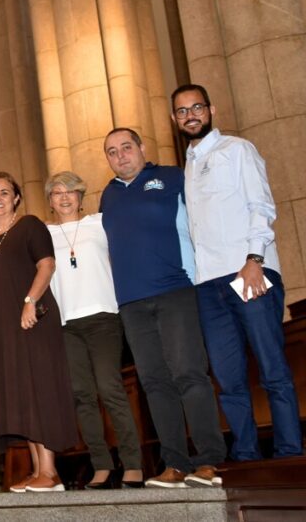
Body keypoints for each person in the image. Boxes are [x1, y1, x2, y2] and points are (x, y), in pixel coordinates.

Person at [172, 84, 303, 461]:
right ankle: (245, 455)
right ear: (175, 119)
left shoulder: (237, 149)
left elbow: (260, 204)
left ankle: (290, 453)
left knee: (272, 367)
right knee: (228, 378)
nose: (190, 115)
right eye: (182, 111)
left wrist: (254, 259)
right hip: (208, 284)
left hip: (247, 272)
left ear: (211, 109)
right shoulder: (189, 166)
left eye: (196, 107)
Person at [100, 128, 226, 488]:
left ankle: (209, 460)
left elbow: (203, 222)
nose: (121, 155)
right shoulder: (108, 195)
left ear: (142, 147)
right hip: (131, 302)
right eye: (112, 152)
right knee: (154, 382)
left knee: (189, 373)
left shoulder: (171, 177)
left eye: (126, 147)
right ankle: (175, 464)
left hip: (175, 290)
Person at [0, 172, 78, 493]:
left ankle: (50, 471)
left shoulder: (30, 225)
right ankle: (38, 470)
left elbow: (47, 264)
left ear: (16, 197)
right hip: (5, 330)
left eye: (4, 192)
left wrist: (29, 301)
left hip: (33, 319)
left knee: (39, 391)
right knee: (23, 395)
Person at [44, 171, 143, 489]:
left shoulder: (99, 224)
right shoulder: (45, 234)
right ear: (50, 200)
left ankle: (133, 463)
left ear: (80, 196)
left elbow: (128, 253)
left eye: (70, 191)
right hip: (66, 324)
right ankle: (101, 464)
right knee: (82, 396)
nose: (64, 197)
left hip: (103, 317)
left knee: (110, 388)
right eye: (57, 192)